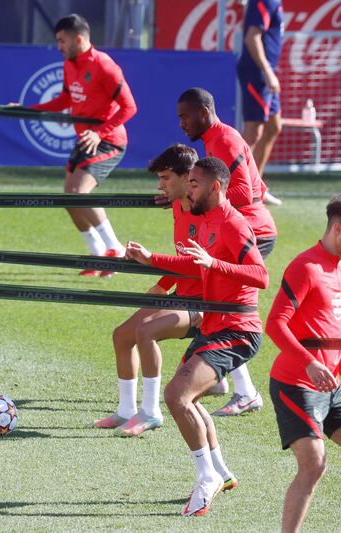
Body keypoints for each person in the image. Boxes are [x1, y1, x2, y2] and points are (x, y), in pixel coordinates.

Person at [126, 157, 268, 516]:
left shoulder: (234, 225)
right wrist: (151, 259)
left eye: (193, 184)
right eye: (187, 183)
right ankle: (220, 471)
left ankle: (207, 478)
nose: (187, 190)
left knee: (176, 395)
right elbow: (193, 263)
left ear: (215, 187)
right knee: (188, 398)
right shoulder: (204, 222)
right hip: (215, 327)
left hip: (238, 328)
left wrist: (214, 264)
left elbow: (261, 276)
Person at [177, 87, 277, 415]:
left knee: (225, 311)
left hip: (249, 232)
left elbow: (245, 193)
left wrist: (198, 201)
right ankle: (225, 381)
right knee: (216, 307)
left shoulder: (224, 139)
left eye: (185, 117)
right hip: (238, 229)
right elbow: (255, 185)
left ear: (204, 113)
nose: (181, 124)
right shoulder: (216, 139)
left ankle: (240, 388)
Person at [95, 144, 203, 436]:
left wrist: (152, 260)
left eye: (166, 177)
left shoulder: (202, 211)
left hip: (206, 305)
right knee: (121, 335)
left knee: (146, 330)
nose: (160, 185)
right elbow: (183, 259)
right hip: (183, 296)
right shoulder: (179, 205)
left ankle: (152, 412)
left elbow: (198, 266)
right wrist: (163, 284)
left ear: (186, 177)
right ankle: (126, 410)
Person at [26, 13, 137, 277]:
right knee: (68, 198)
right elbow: (65, 98)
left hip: (109, 140)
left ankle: (116, 249)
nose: (59, 46)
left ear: (79, 38)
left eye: (62, 41)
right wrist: (28, 109)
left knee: (78, 192)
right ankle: (98, 254)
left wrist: (100, 133)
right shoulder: (69, 64)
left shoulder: (104, 65)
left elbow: (130, 107)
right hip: (86, 139)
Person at [265, 195, 341, 533]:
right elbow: (275, 324)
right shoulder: (306, 267)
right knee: (313, 465)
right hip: (297, 384)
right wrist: (310, 363)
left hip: (334, 385)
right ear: (339, 229)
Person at [237, 0, 284, 206]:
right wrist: (267, 72)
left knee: (273, 127)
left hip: (265, 73)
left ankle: (257, 188)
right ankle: (227, 184)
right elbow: (251, 37)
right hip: (257, 73)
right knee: (253, 131)